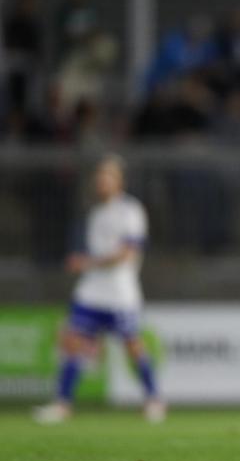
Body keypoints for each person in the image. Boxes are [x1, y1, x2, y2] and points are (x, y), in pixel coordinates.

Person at [33, 155, 164, 424]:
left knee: (133, 345)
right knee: (73, 340)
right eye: (99, 176)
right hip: (92, 290)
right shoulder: (95, 213)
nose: (101, 181)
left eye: (108, 176)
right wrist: (88, 264)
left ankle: (154, 399)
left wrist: (87, 262)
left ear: (119, 181)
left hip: (120, 291)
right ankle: (63, 404)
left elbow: (127, 254)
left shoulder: (131, 210)